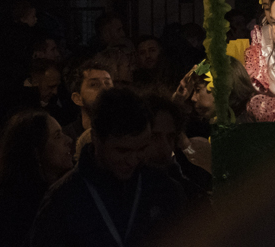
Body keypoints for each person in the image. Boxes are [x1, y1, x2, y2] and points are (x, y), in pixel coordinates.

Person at [29, 87, 186, 247]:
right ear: (96, 138)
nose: (132, 161)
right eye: (122, 150)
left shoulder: (164, 190)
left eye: (141, 149)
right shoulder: (63, 200)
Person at [0, 110, 74, 247]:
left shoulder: (65, 193)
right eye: (57, 136)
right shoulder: (15, 211)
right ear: (36, 151)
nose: (69, 140)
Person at [141, 92, 211, 204]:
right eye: (154, 137)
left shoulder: (187, 193)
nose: (165, 146)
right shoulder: (122, 190)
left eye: (170, 137)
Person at [64, 59, 113, 143]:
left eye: (107, 83)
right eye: (94, 84)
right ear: (77, 98)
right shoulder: (67, 139)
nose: (104, 89)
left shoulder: (127, 132)